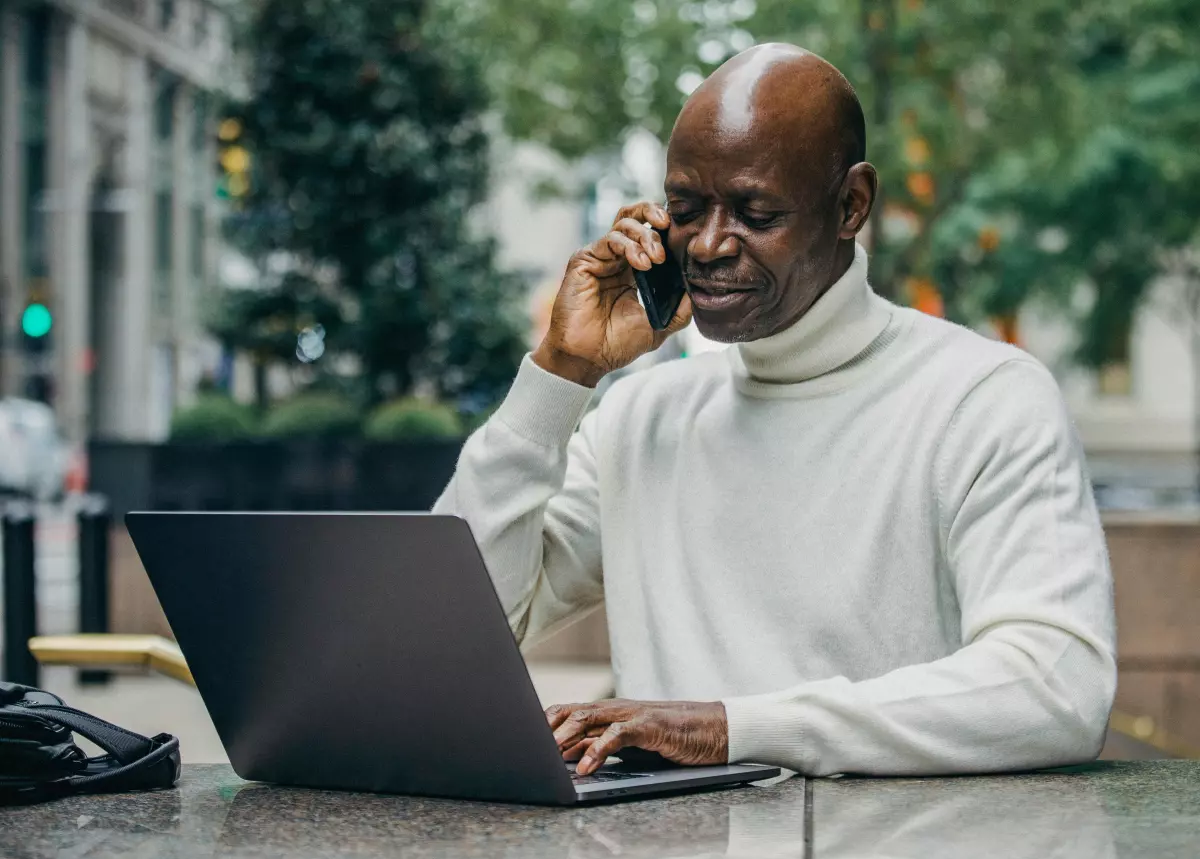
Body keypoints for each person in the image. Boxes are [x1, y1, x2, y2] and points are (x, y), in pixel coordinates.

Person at [433, 44, 1116, 777]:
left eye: (757, 212)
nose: (709, 243)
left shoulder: (984, 398)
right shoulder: (642, 419)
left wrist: (735, 728)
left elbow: (1056, 686)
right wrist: (559, 375)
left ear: (851, 204)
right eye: (686, 209)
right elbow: (447, 632)